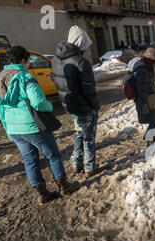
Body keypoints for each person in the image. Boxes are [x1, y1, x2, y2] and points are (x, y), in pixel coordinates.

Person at [0, 46, 77, 205]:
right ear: (24, 60)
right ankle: (64, 186)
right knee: (53, 155)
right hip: (33, 126)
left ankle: (42, 194)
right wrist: (50, 107)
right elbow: (38, 102)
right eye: (29, 60)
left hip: (14, 129)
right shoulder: (25, 77)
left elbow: (1, 109)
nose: (29, 63)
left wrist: (9, 131)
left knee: (30, 161)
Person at [52, 25, 100, 177]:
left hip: (70, 106)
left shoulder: (56, 59)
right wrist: (96, 105)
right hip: (84, 107)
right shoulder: (81, 62)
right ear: (80, 43)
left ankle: (75, 163)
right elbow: (89, 89)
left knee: (79, 133)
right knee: (89, 138)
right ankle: (89, 167)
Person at [132, 47, 155, 146]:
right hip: (145, 100)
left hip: (148, 98)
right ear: (151, 60)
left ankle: (150, 136)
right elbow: (141, 89)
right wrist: (144, 104)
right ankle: (150, 139)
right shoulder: (143, 70)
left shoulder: (145, 67)